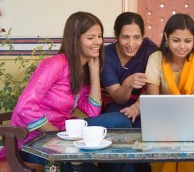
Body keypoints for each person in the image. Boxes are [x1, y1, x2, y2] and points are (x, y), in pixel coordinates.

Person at [0, 11, 104, 171]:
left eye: (100, 36)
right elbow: (25, 107)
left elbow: (92, 112)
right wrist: (59, 137)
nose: (98, 42)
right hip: (33, 143)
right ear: (75, 40)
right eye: (91, 38)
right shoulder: (55, 64)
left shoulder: (80, 71)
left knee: (118, 121)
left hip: (62, 137)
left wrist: (95, 72)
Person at [85, 12, 158, 172]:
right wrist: (127, 84)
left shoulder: (150, 50)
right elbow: (118, 97)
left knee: (148, 128)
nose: (131, 43)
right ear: (116, 36)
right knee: (121, 124)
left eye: (136, 37)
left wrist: (138, 107)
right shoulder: (106, 54)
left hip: (144, 103)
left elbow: (154, 87)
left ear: (142, 37)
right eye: (125, 37)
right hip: (116, 104)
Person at [145, 13, 194, 172]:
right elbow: (153, 101)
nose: (182, 46)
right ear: (166, 37)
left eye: (188, 41)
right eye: (176, 40)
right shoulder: (156, 58)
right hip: (163, 117)